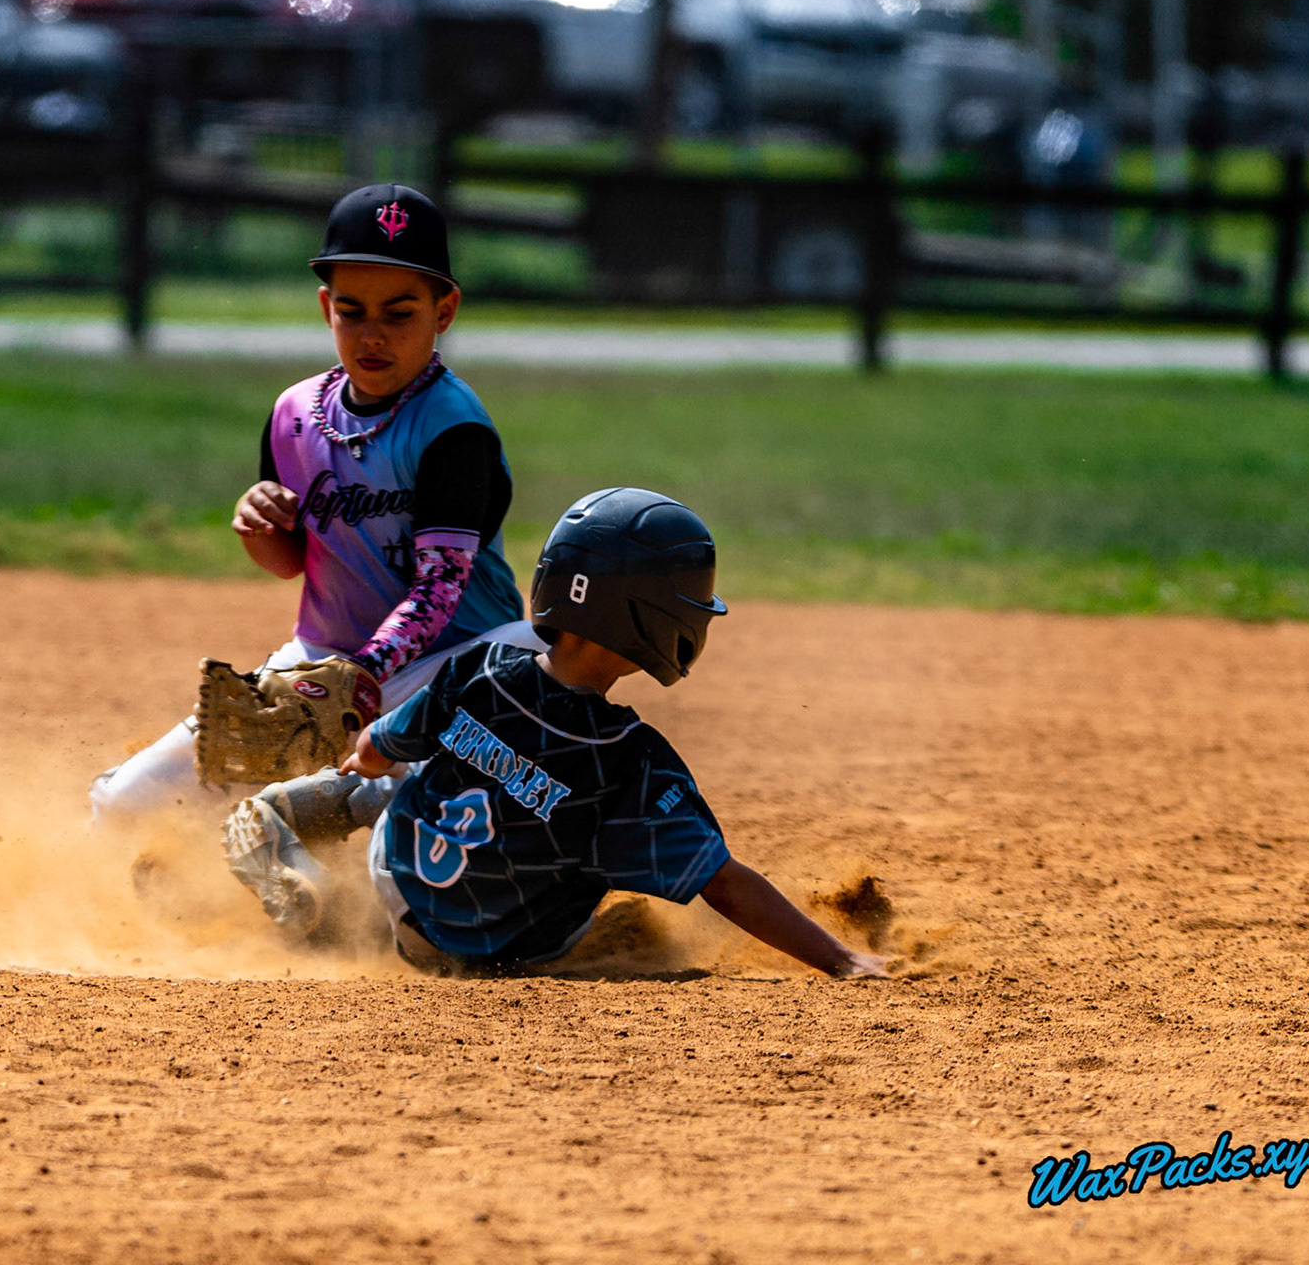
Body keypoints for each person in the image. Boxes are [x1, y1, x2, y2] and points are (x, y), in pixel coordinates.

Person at [226, 487, 889, 978]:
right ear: (655, 623)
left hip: (402, 882)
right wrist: (839, 959)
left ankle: (281, 834)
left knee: (393, 776)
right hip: (499, 955)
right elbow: (724, 882)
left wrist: (363, 761)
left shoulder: (477, 670)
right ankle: (351, 915)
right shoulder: (629, 760)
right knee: (590, 846)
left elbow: (371, 751)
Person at [89, 183, 542, 827]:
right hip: (323, 661)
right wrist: (259, 522)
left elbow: (440, 589)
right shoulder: (296, 415)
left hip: (454, 665)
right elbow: (291, 563)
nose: (372, 335)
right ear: (326, 306)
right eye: (352, 312)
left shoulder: (452, 428)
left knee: (403, 791)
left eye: (399, 313)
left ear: (444, 312)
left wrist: (360, 682)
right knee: (124, 805)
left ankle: (354, 849)